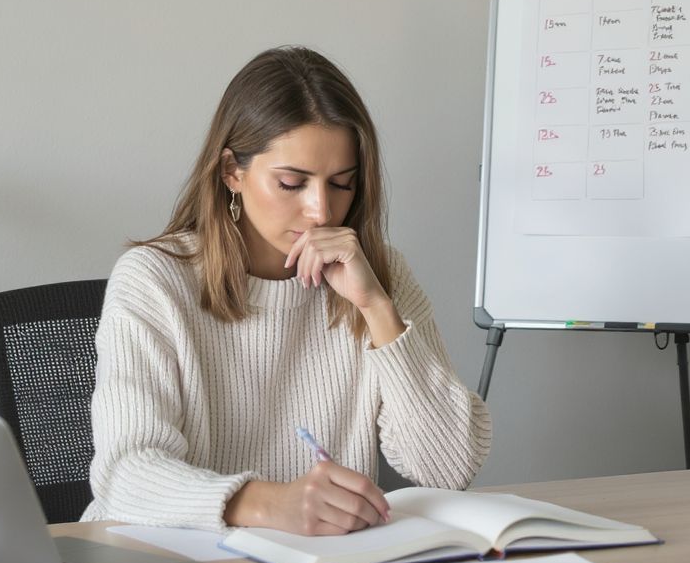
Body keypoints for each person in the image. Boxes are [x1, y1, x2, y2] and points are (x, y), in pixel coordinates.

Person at [82, 46, 491, 535]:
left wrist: (376, 307)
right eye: (292, 183)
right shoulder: (153, 281)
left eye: (342, 184)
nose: (321, 210)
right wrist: (271, 505)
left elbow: (448, 468)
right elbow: (125, 476)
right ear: (232, 171)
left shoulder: (378, 273)